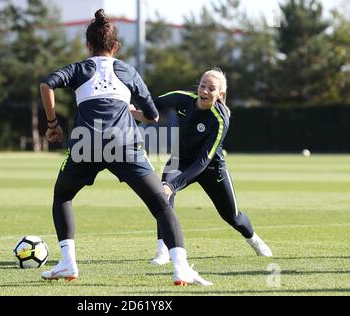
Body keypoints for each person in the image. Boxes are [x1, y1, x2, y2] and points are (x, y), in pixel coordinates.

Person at [39, 9, 211, 286]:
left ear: (89, 45)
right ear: (116, 47)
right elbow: (153, 115)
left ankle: (68, 263)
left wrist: (52, 124)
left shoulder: (80, 68)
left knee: (63, 196)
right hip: (125, 145)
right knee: (161, 205)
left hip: (86, 144)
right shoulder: (128, 71)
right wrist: (132, 110)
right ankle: (181, 268)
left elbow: (46, 85)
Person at [130, 68, 272, 265]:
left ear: (220, 94)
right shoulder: (181, 98)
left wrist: (172, 185)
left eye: (211, 88)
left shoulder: (220, 119)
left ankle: (254, 240)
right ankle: (163, 250)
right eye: (202, 86)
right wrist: (127, 107)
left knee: (232, 216)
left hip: (211, 168)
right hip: (180, 160)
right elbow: (150, 108)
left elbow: (203, 161)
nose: (204, 91)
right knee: (162, 197)